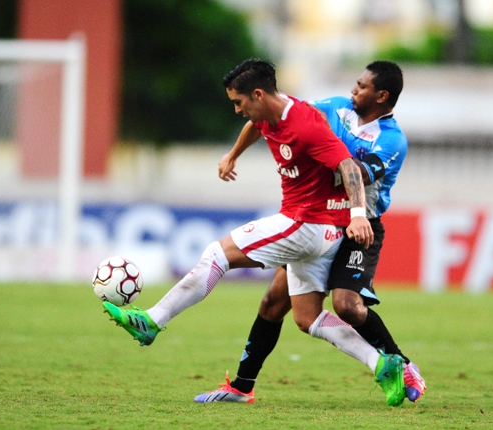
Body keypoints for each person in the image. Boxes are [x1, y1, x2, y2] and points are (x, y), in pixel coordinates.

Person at [102, 58, 406, 405]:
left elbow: (348, 166)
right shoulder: (269, 114)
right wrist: (232, 155)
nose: (237, 110)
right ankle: (382, 361)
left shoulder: (307, 124)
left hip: (305, 224)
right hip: (320, 233)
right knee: (307, 318)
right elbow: (256, 126)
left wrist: (356, 214)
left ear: (258, 94)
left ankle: (152, 321)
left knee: (217, 254)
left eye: (239, 102)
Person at [194, 61, 425, 406]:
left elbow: (354, 173)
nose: (353, 90)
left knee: (346, 305)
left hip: (360, 227)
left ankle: (403, 365)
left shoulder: (392, 141)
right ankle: (241, 387)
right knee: (274, 301)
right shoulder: (334, 108)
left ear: (382, 95)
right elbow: (271, 118)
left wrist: (320, 150)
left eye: (361, 86)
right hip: (321, 220)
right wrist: (233, 155)